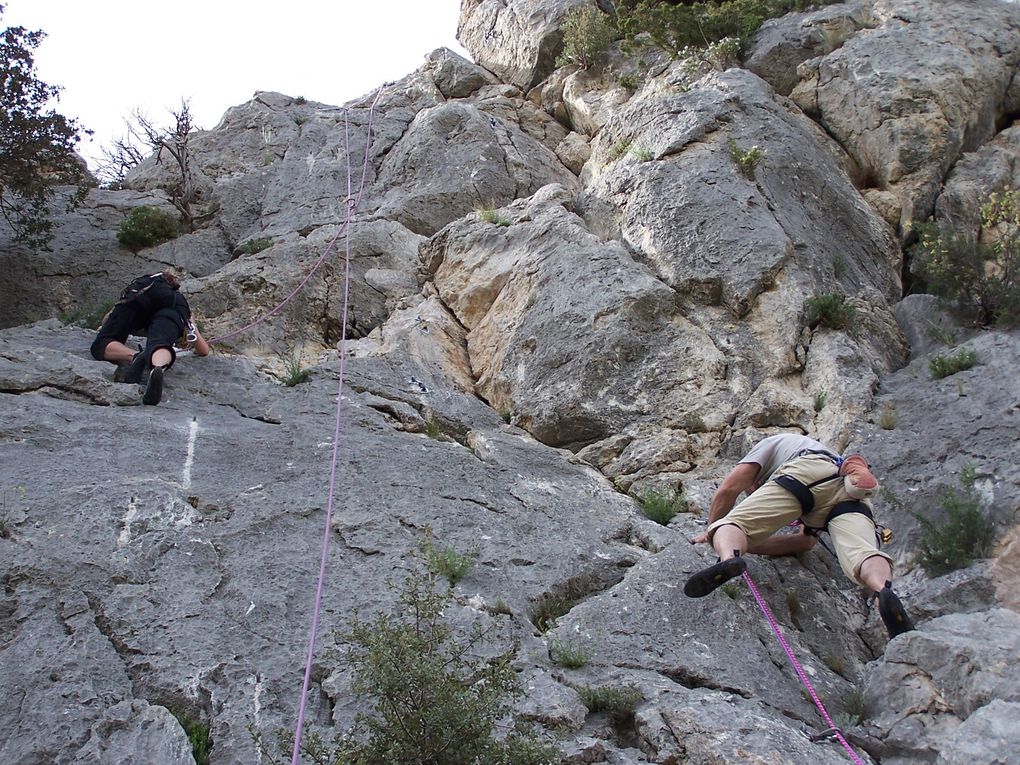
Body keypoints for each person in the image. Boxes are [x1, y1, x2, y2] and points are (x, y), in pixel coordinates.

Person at [685, 432, 914, 639]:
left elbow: (728, 489)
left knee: (735, 523)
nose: (752, 492)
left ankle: (727, 558)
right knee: (862, 553)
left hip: (808, 470)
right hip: (851, 493)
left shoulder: (770, 445)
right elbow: (804, 542)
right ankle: (882, 590)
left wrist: (713, 531)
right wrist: (749, 545)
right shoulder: (833, 459)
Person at [90, 270, 209, 406]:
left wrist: (110, 324)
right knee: (160, 342)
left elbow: (107, 320)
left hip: (138, 296)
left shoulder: (143, 283)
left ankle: (136, 356)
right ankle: (157, 367)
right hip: (172, 305)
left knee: (102, 343)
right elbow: (203, 349)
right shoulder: (177, 299)